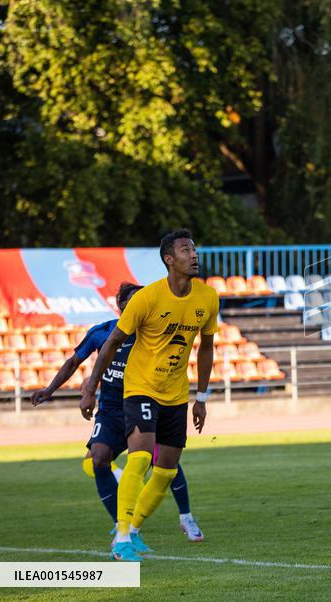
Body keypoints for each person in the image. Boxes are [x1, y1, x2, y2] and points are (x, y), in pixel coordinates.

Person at [82, 229, 218, 561]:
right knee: (140, 457)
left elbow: (206, 347)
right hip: (141, 388)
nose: (194, 255)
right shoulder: (146, 298)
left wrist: (201, 398)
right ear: (169, 259)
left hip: (176, 394)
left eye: (194, 249)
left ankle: (134, 530)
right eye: (185, 250)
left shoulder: (208, 298)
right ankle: (121, 539)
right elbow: (111, 344)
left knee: (167, 470)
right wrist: (90, 389)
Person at [31, 283, 203, 542]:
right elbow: (74, 361)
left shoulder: (155, 332)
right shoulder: (102, 332)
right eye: (135, 300)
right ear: (122, 306)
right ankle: (120, 524)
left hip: (147, 403)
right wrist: (50, 390)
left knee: (165, 460)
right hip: (112, 408)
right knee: (98, 458)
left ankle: (186, 517)